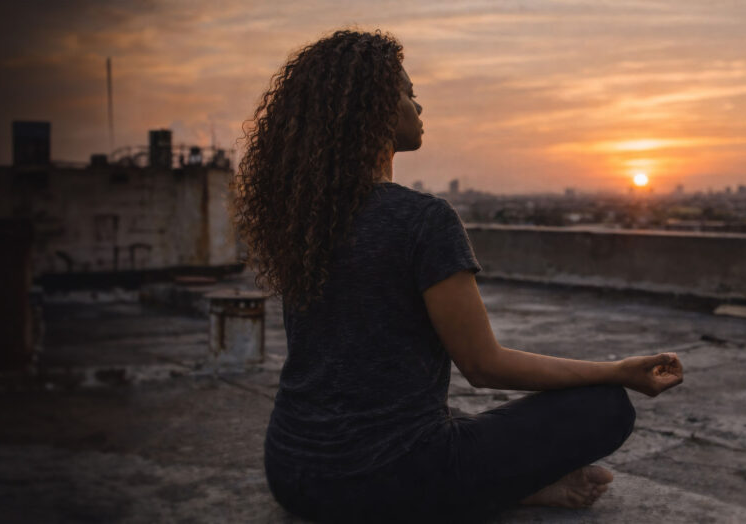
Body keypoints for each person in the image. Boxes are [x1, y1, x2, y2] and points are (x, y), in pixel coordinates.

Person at [232, 29, 684, 524]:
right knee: (605, 408)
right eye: (408, 94)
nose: (418, 107)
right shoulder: (421, 218)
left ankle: (500, 486)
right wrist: (618, 370)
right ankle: (506, 489)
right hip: (386, 482)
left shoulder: (306, 219)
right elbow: (484, 367)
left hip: (294, 472)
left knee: (452, 423)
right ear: (376, 109)